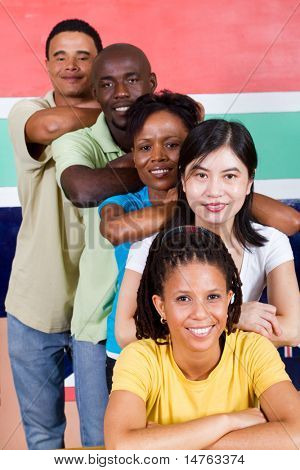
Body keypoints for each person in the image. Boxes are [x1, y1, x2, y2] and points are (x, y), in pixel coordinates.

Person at [105, 226, 300, 450]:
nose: (200, 313)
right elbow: (121, 448)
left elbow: (296, 435)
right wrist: (229, 421)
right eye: (183, 298)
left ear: (229, 300)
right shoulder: (140, 358)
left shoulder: (253, 349)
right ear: (161, 307)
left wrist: (171, 444)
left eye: (213, 297)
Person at [51, 43, 157, 446]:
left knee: (166, 439)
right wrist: (160, 152)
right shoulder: (76, 142)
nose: (122, 93)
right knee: (103, 445)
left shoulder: (183, 135)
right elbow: (83, 188)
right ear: (96, 94)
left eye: (132, 79)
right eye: (108, 84)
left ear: (152, 82)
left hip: (166, 322)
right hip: (99, 325)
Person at [115, 120, 300, 350]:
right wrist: (233, 316)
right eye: (201, 176)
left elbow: (291, 330)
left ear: (249, 182)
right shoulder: (150, 247)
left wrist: (189, 331)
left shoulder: (271, 243)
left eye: (229, 176)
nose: (214, 191)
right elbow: (125, 332)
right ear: (183, 180)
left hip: (242, 379)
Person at [5, 19, 103, 449]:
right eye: (60, 56)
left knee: (103, 441)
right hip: (35, 306)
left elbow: (188, 114)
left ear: (99, 63)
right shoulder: (29, 111)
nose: (71, 65)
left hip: (100, 307)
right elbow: (50, 127)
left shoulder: (126, 125)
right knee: (43, 437)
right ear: (46, 64)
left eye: (83, 56)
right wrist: (128, 106)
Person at [98, 91, 203, 390]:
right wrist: (184, 203)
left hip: (196, 342)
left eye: (172, 145)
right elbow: (116, 230)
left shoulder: (212, 198)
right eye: (145, 147)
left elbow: (290, 221)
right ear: (133, 154)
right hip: (130, 346)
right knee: (135, 434)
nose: (158, 156)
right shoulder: (121, 203)